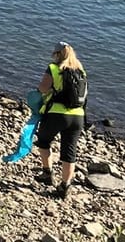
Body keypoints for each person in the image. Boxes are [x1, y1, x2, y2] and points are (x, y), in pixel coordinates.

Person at [35, 42, 88, 199]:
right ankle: (65, 186)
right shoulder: (81, 72)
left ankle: (47, 173)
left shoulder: (53, 68)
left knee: (44, 141)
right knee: (69, 152)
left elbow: (43, 88)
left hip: (57, 114)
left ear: (58, 54)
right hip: (78, 116)